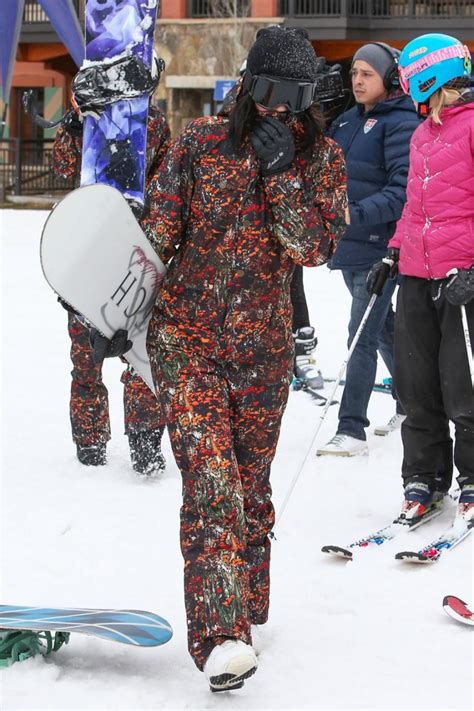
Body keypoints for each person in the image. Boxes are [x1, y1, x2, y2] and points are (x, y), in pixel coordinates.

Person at [137, 26, 347, 690]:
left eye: (294, 97)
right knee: (212, 486)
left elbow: (312, 248)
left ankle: (246, 603)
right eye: (269, 93)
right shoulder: (197, 145)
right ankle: (222, 633)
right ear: (246, 86)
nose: (280, 110)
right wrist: (113, 293)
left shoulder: (322, 160)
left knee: (250, 493)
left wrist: (284, 175)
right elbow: (158, 231)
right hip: (186, 340)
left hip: (263, 353)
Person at [367, 33, 474, 521]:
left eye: (410, 80)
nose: (406, 89)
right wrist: (392, 254)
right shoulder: (421, 134)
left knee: (464, 386)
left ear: (431, 76)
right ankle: (424, 478)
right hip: (416, 273)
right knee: (417, 385)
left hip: (461, 278)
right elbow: (416, 208)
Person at [51, 66, 171, 475]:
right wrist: (75, 123)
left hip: (134, 249)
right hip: (88, 250)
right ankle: (90, 444)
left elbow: (166, 183)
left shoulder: (153, 125)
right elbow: (64, 171)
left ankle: (144, 442)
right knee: (86, 357)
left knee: (138, 352)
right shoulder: (87, 123)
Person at [316, 42, 420, 457]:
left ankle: (351, 427)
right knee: (382, 330)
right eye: (354, 73)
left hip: (382, 247)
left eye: (367, 74)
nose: (357, 81)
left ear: (389, 79)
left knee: (359, 333)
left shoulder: (402, 124)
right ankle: (411, 404)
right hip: (350, 247)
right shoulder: (348, 121)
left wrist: (352, 214)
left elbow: (402, 192)